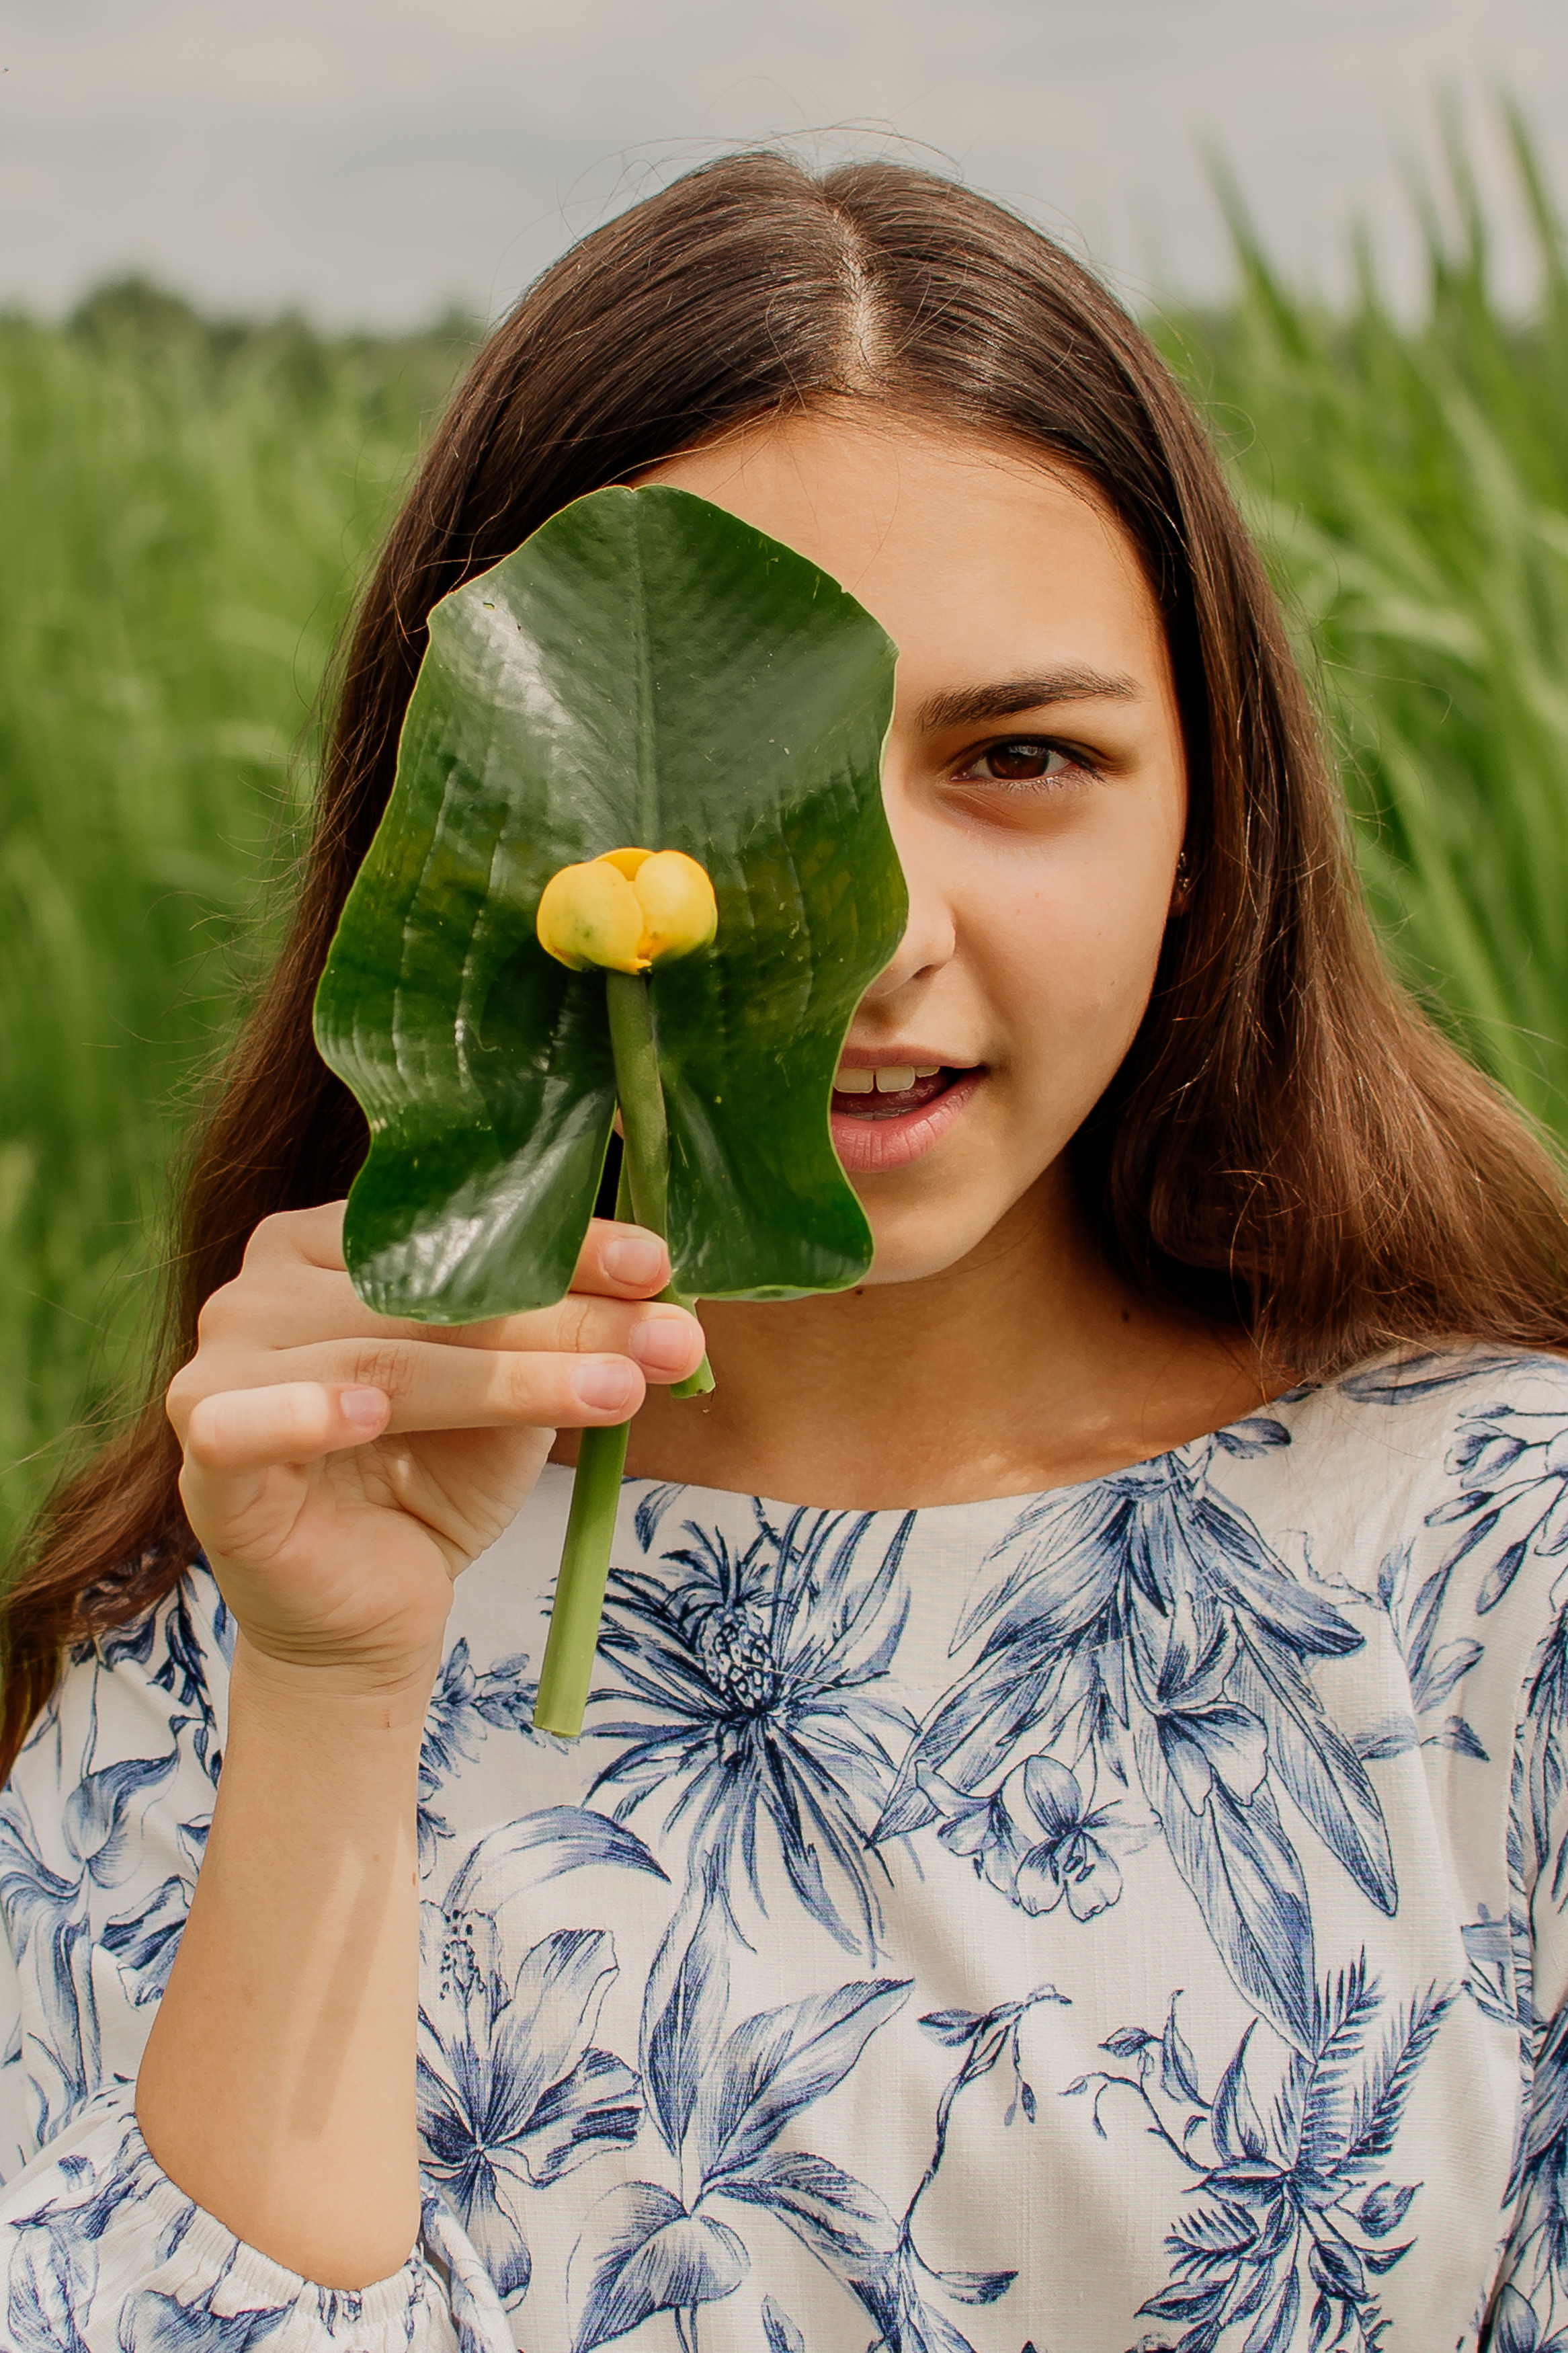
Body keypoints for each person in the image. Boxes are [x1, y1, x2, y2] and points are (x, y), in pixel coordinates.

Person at [1, 151, 1565, 2353]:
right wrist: (339, 1690)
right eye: (763, 797)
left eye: (1023, 757)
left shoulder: (1506, 1573)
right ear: (472, 841)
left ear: (1211, 828)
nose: (887, 932)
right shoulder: (220, 1641)